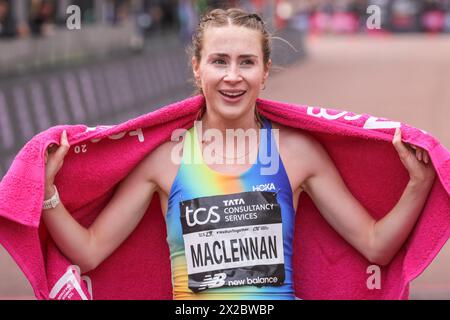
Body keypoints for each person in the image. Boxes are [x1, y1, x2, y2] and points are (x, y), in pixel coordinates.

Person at [42, 8, 435, 300]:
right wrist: (47, 195)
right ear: (197, 69)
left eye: (247, 62)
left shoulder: (297, 154)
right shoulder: (166, 160)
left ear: (264, 73)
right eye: (219, 61)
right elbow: (90, 252)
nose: (233, 76)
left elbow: (374, 244)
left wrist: (418, 186)